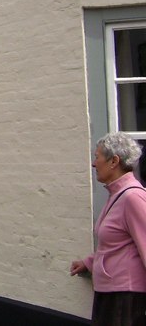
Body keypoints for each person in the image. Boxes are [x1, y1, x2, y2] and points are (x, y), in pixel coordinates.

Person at [70, 132, 146, 326]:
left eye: (97, 157)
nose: (94, 164)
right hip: (110, 292)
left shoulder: (133, 198)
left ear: (114, 161)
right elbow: (116, 243)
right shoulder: (116, 195)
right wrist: (90, 262)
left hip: (125, 296)